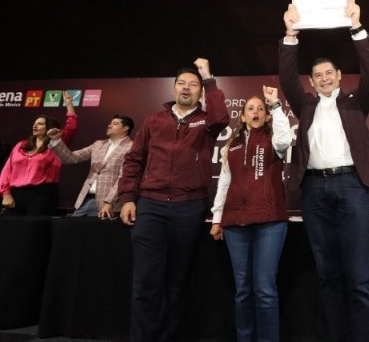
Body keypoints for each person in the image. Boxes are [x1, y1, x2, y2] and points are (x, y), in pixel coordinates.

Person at [279, 0, 369, 342]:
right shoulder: (305, 105)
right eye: (318, 75)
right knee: (327, 276)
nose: (324, 78)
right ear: (312, 82)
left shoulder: (356, 102)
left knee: (359, 277)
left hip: (351, 188)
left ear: (340, 76)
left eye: (329, 73)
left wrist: (356, 27)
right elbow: (286, 77)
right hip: (314, 192)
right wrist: (290, 35)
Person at [117, 58, 229, 342]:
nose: (186, 88)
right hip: (150, 206)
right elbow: (134, 160)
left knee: (177, 283)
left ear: (200, 91)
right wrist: (128, 197)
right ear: (174, 88)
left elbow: (221, 118)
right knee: (145, 282)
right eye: (182, 83)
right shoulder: (154, 120)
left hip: (189, 207)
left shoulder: (206, 121)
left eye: (193, 84)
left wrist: (208, 78)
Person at [210, 86, 292, 342]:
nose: (255, 112)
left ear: (266, 116)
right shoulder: (231, 145)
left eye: (260, 109)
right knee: (243, 291)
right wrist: (217, 218)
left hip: (270, 222)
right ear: (243, 116)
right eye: (250, 109)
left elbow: (285, 140)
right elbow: (224, 183)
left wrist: (275, 106)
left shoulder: (274, 140)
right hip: (235, 224)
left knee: (265, 289)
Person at [0, 91, 77, 216]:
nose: (35, 126)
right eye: (34, 123)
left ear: (50, 127)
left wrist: (69, 104)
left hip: (43, 195)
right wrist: (6, 193)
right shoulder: (21, 145)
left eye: (40, 124)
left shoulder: (56, 145)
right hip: (16, 195)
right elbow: (7, 170)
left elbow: (71, 128)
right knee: (12, 227)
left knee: (35, 227)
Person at [47, 114, 134, 218]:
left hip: (108, 204)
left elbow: (123, 178)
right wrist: (56, 140)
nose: (109, 126)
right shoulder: (98, 144)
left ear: (125, 128)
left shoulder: (131, 147)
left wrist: (109, 201)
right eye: (110, 123)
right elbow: (71, 158)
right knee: (71, 227)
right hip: (85, 199)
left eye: (115, 124)